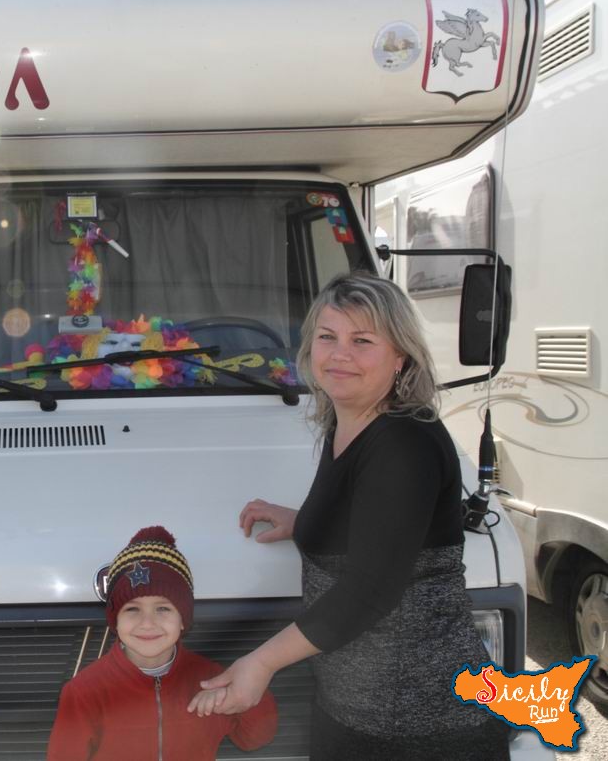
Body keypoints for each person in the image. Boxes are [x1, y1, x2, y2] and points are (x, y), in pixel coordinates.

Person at [189, 272, 509, 759]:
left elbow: (369, 591)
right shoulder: (347, 418)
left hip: (425, 724)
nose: (339, 354)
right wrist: (305, 521)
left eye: (362, 341)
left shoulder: (404, 442)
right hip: (355, 707)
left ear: (400, 356)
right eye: (327, 337)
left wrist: (261, 663)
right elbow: (379, 521)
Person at [47, 526, 278, 760]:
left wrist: (242, 696)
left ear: (183, 619)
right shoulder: (84, 691)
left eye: (163, 609)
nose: (147, 623)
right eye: (133, 609)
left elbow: (255, 739)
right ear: (115, 621)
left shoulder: (213, 681)